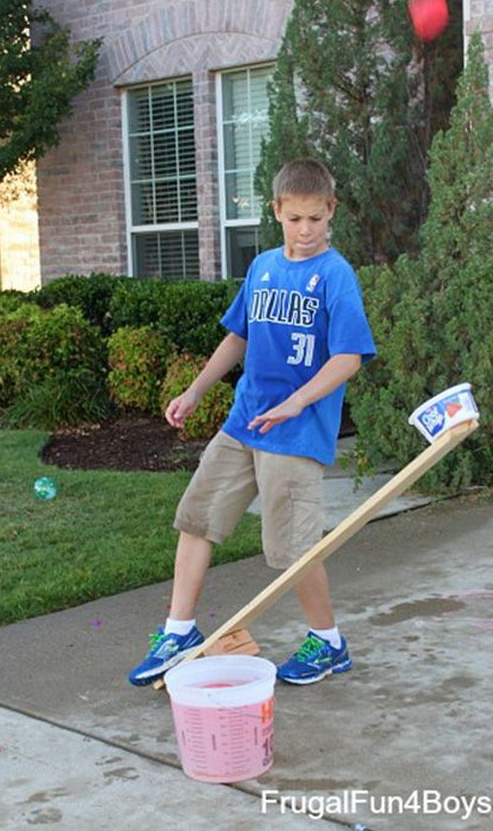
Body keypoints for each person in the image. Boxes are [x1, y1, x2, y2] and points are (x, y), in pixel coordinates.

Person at [128, 158, 376, 687]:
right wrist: (196, 390)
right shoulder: (263, 267)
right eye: (295, 219)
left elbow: (348, 357)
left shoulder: (335, 275)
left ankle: (329, 643)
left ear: (331, 211)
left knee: (292, 548)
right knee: (197, 517)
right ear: (277, 213)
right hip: (243, 421)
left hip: (295, 431)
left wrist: (297, 402)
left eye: (315, 218)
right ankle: (179, 630)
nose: (306, 230)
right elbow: (238, 336)